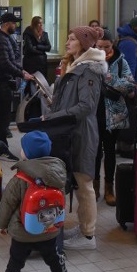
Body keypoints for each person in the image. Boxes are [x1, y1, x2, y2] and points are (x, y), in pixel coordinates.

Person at [0, 131, 76, 272]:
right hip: (49, 230)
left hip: (22, 232)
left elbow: (7, 204)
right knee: (55, 261)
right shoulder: (58, 173)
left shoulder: (20, 179)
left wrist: (1, 225)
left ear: (25, 153)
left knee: (14, 266)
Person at [37, 26, 106, 250]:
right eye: (68, 38)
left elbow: (86, 106)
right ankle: (84, 226)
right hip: (69, 130)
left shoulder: (89, 71)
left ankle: (88, 236)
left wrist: (55, 116)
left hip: (81, 131)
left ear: (84, 44)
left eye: (72, 39)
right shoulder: (75, 66)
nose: (68, 42)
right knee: (77, 181)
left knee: (84, 182)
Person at [94, 29, 135, 205]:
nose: (103, 51)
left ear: (113, 45)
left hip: (113, 114)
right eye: (99, 47)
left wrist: (110, 80)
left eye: (107, 47)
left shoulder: (120, 62)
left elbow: (129, 84)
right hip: (93, 113)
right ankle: (94, 188)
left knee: (110, 152)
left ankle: (109, 189)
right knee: (94, 153)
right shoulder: (90, 60)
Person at [0, 13, 34, 145]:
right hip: (0, 84)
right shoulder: (1, 40)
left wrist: (21, 70)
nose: (16, 26)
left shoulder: (5, 38)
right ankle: (1, 145)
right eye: (14, 23)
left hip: (1, 83)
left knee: (2, 117)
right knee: (2, 117)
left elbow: (11, 60)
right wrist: (22, 74)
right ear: (7, 24)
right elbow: (5, 63)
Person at [116, 16, 137, 83]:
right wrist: (130, 89)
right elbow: (128, 69)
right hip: (135, 88)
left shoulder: (136, 40)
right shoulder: (128, 44)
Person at [22, 16, 52, 90]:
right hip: (30, 63)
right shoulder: (28, 33)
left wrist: (38, 46)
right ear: (35, 24)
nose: (41, 25)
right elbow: (30, 49)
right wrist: (42, 50)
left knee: (42, 84)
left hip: (42, 64)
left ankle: (40, 101)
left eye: (42, 23)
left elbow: (48, 47)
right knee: (30, 84)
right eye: (39, 23)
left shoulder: (44, 34)